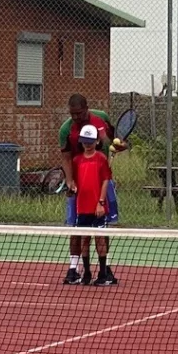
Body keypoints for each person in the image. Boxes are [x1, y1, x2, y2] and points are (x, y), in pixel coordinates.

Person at [58, 93, 124, 284]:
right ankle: (74, 269)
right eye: (72, 114)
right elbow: (66, 158)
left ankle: (106, 269)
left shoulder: (101, 118)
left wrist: (120, 146)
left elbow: (115, 140)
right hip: (80, 184)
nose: (75, 117)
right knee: (76, 228)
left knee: (103, 230)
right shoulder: (66, 129)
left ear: (86, 108)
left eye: (78, 113)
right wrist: (70, 181)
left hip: (102, 181)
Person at [70, 124, 117, 286]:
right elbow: (73, 181)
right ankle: (87, 273)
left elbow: (105, 181)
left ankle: (103, 274)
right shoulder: (76, 160)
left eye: (90, 141)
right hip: (82, 207)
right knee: (84, 240)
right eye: (85, 141)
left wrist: (101, 203)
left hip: (98, 207)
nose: (87, 144)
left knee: (100, 240)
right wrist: (72, 187)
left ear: (97, 141)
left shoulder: (101, 159)